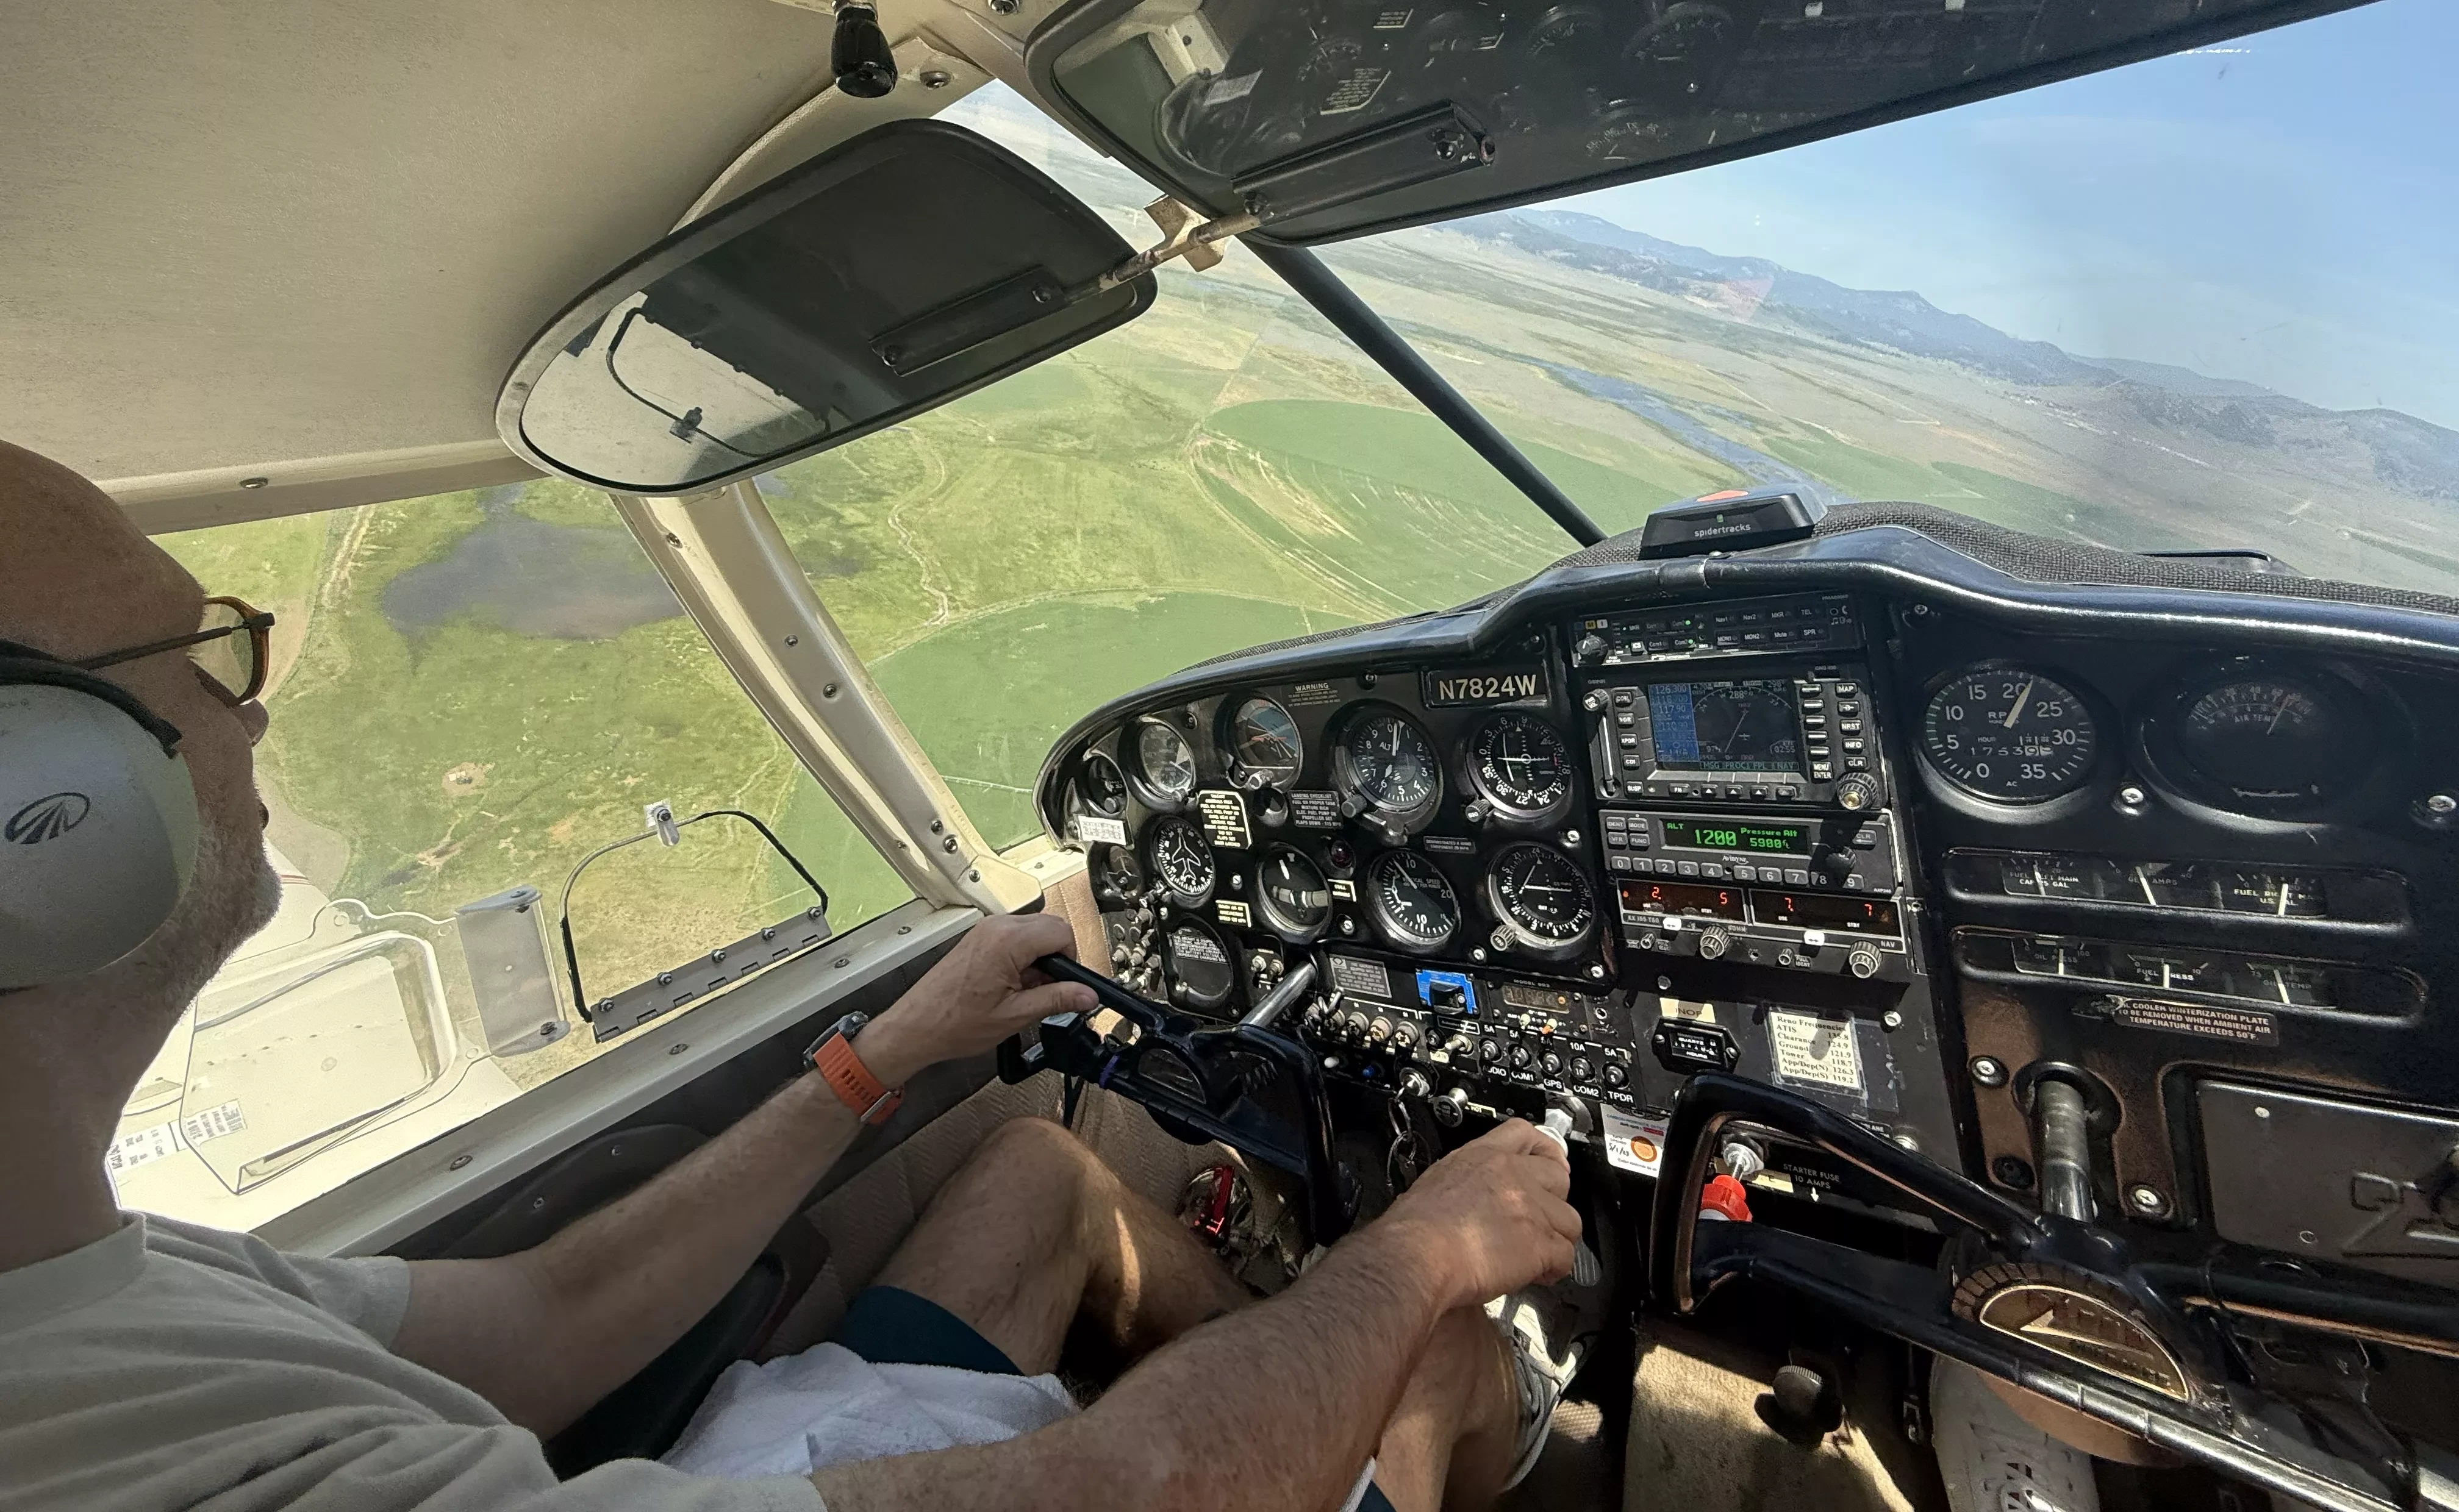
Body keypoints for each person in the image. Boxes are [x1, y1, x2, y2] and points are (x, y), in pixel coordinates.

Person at [0, 439, 1589, 1512]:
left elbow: (551, 1312)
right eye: (200, 655)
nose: (251, 713)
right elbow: (1131, 1495)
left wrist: (879, 1059)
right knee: (1438, 1339)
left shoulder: (106, 1285)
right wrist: (1424, 1254)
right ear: (35, 807)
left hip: (751, 1466)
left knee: (1038, 1174)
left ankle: (1272, 1325)